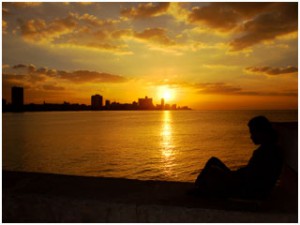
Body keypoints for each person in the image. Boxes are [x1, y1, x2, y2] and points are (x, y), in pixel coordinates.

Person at [190, 116, 283, 199]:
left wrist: (233, 176)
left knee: (212, 170)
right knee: (213, 161)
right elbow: (254, 171)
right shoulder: (269, 149)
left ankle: (199, 189)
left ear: (262, 132)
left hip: (247, 190)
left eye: (253, 133)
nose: (251, 137)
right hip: (246, 184)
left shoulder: (266, 152)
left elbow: (254, 177)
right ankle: (199, 187)